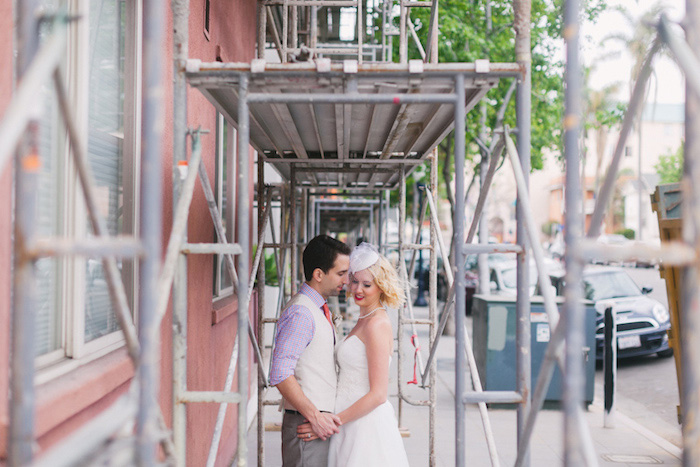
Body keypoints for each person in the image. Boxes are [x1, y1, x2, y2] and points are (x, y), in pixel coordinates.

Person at [296, 242, 410, 466]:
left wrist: (332, 423)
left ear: (381, 286)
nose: (358, 289)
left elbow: (378, 394)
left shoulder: (376, 324)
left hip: (364, 425)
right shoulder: (363, 320)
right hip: (348, 419)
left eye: (367, 284)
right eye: (354, 281)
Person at [269, 234, 351, 467]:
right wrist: (315, 417)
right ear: (318, 274)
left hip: (317, 423)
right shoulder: (302, 313)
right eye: (341, 273)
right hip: (308, 423)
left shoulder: (318, 308)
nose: (346, 280)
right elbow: (280, 373)